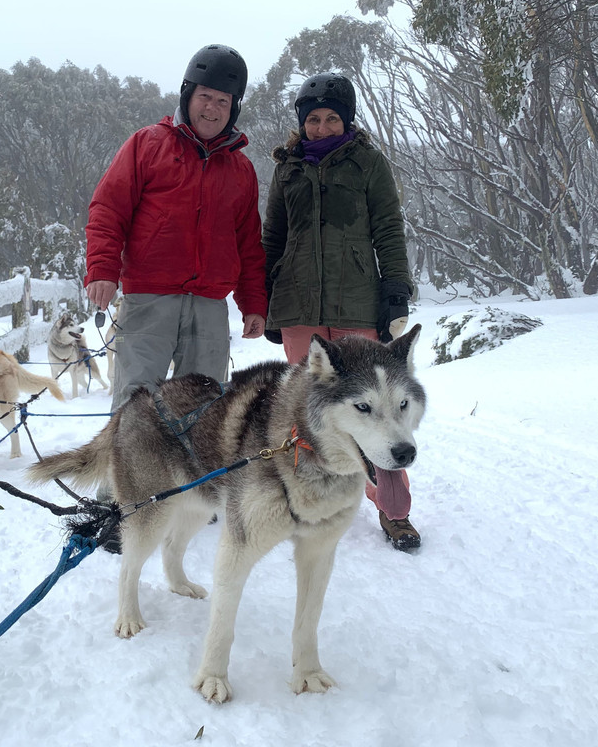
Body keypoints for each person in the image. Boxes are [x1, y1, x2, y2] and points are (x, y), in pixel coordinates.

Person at [262, 72, 419, 551]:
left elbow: (389, 228)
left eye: (332, 118)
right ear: (302, 123)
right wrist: (269, 301)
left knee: (375, 411)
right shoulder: (287, 169)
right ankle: (305, 502)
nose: (323, 127)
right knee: (305, 410)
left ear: (346, 120)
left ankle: (394, 511)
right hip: (299, 306)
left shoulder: (368, 163)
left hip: (357, 302)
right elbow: (274, 238)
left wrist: (395, 289)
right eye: (314, 119)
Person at [85, 43, 268, 415]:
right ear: (187, 94)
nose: (212, 108)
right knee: (135, 410)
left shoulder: (241, 169)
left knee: (204, 410)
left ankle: (193, 477)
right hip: (149, 300)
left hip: (210, 305)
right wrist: (102, 270)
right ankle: (123, 476)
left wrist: (253, 303)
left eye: (223, 101)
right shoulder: (146, 145)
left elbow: (248, 243)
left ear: (234, 108)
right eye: (205, 96)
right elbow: (108, 210)